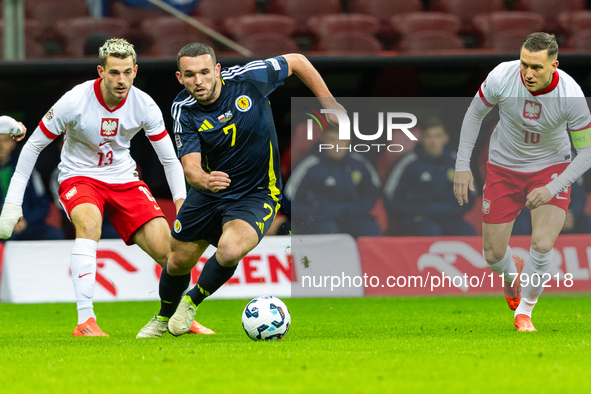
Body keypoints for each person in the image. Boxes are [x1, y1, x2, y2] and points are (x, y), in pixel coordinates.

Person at [0, 38, 212, 337]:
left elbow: (168, 158)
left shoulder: (144, 105)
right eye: (114, 72)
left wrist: (181, 202)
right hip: (79, 177)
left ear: (135, 71)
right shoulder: (74, 100)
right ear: (101, 71)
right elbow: (33, 146)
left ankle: (182, 316)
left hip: (124, 179)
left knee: (173, 255)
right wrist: (13, 203)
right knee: (89, 226)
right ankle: (86, 321)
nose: (121, 79)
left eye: (127, 72)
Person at [137, 43, 343, 337]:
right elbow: (191, 168)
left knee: (230, 249)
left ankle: (191, 302)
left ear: (217, 70)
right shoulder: (183, 109)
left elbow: (297, 60)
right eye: (191, 75)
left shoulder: (250, 79)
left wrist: (329, 102)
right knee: (178, 260)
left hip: (258, 191)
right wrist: (205, 180)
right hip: (210, 190)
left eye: (205, 72)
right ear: (180, 77)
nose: (199, 81)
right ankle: (162, 317)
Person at [454, 32, 591, 332]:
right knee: (491, 255)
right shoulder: (502, 76)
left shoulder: (571, 95)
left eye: (537, 67)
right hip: (503, 168)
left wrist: (552, 187)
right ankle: (510, 273)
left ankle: (525, 312)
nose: (528, 73)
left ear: (554, 65)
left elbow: (587, 153)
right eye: (524, 64)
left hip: (550, 169)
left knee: (542, 245)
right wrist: (462, 165)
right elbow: (473, 115)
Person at [383, 116, 475, 236]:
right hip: (418, 218)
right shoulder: (408, 162)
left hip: (450, 217)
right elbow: (390, 197)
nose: (433, 141)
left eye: (437, 136)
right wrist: (416, 210)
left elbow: (470, 194)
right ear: (421, 138)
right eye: (429, 136)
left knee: (466, 231)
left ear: (445, 138)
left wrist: (450, 210)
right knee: (430, 230)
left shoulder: (457, 162)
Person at [285, 126, 381, 238]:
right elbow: (288, 199)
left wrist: (358, 209)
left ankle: (365, 256)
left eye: (342, 140)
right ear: (324, 140)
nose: (337, 145)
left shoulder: (359, 163)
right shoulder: (309, 164)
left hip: (350, 215)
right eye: (332, 140)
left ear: (349, 142)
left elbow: (374, 191)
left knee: (370, 228)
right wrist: (313, 212)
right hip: (318, 218)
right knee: (329, 230)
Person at [0, 134, 64, 241]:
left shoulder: (27, 169)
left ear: (13, 144)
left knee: (54, 235)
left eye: (5, 141)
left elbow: (42, 204)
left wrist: (26, 221)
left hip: (25, 226)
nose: (0, 145)